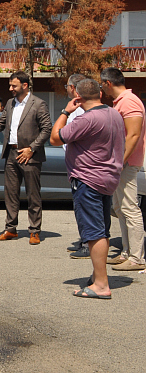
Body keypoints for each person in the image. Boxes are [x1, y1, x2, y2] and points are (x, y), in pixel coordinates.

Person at [51, 78, 124, 299]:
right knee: (102, 230)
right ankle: (97, 276)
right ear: (100, 94)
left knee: (93, 233)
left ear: (78, 98)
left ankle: (101, 284)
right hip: (108, 178)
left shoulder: (86, 119)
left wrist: (65, 111)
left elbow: (55, 137)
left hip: (88, 180)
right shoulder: (114, 114)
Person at [0, 71, 51, 244]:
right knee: (11, 193)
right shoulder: (11, 103)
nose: (10, 88)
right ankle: (10, 229)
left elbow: (47, 128)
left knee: (33, 194)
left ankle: (34, 231)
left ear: (25, 86)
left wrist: (32, 148)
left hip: (29, 155)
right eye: (10, 85)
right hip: (11, 154)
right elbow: (2, 122)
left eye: (14, 86)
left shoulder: (38, 104)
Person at [100, 67, 146, 272]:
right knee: (120, 207)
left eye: (102, 84)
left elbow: (134, 135)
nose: (101, 88)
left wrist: (120, 162)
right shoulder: (122, 102)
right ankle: (127, 253)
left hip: (126, 163)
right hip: (122, 162)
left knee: (129, 208)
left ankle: (137, 258)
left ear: (108, 83)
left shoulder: (129, 101)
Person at [62, 74, 93, 259]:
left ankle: (88, 244)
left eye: (67, 85)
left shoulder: (81, 111)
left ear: (73, 87)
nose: (66, 88)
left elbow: (61, 136)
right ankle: (84, 240)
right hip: (74, 163)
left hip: (83, 166)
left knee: (86, 206)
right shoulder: (75, 109)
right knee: (79, 206)